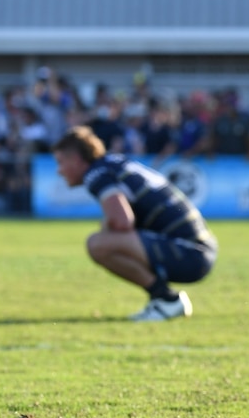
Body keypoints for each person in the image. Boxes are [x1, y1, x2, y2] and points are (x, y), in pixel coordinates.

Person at [53, 126, 217, 321]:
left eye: (61, 162)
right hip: (198, 249)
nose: (59, 171)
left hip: (190, 252)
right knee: (106, 240)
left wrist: (107, 225)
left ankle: (166, 300)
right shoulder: (113, 163)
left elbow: (123, 221)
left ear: (76, 160)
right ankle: (164, 300)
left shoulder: (96, 174)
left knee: (97, 244)